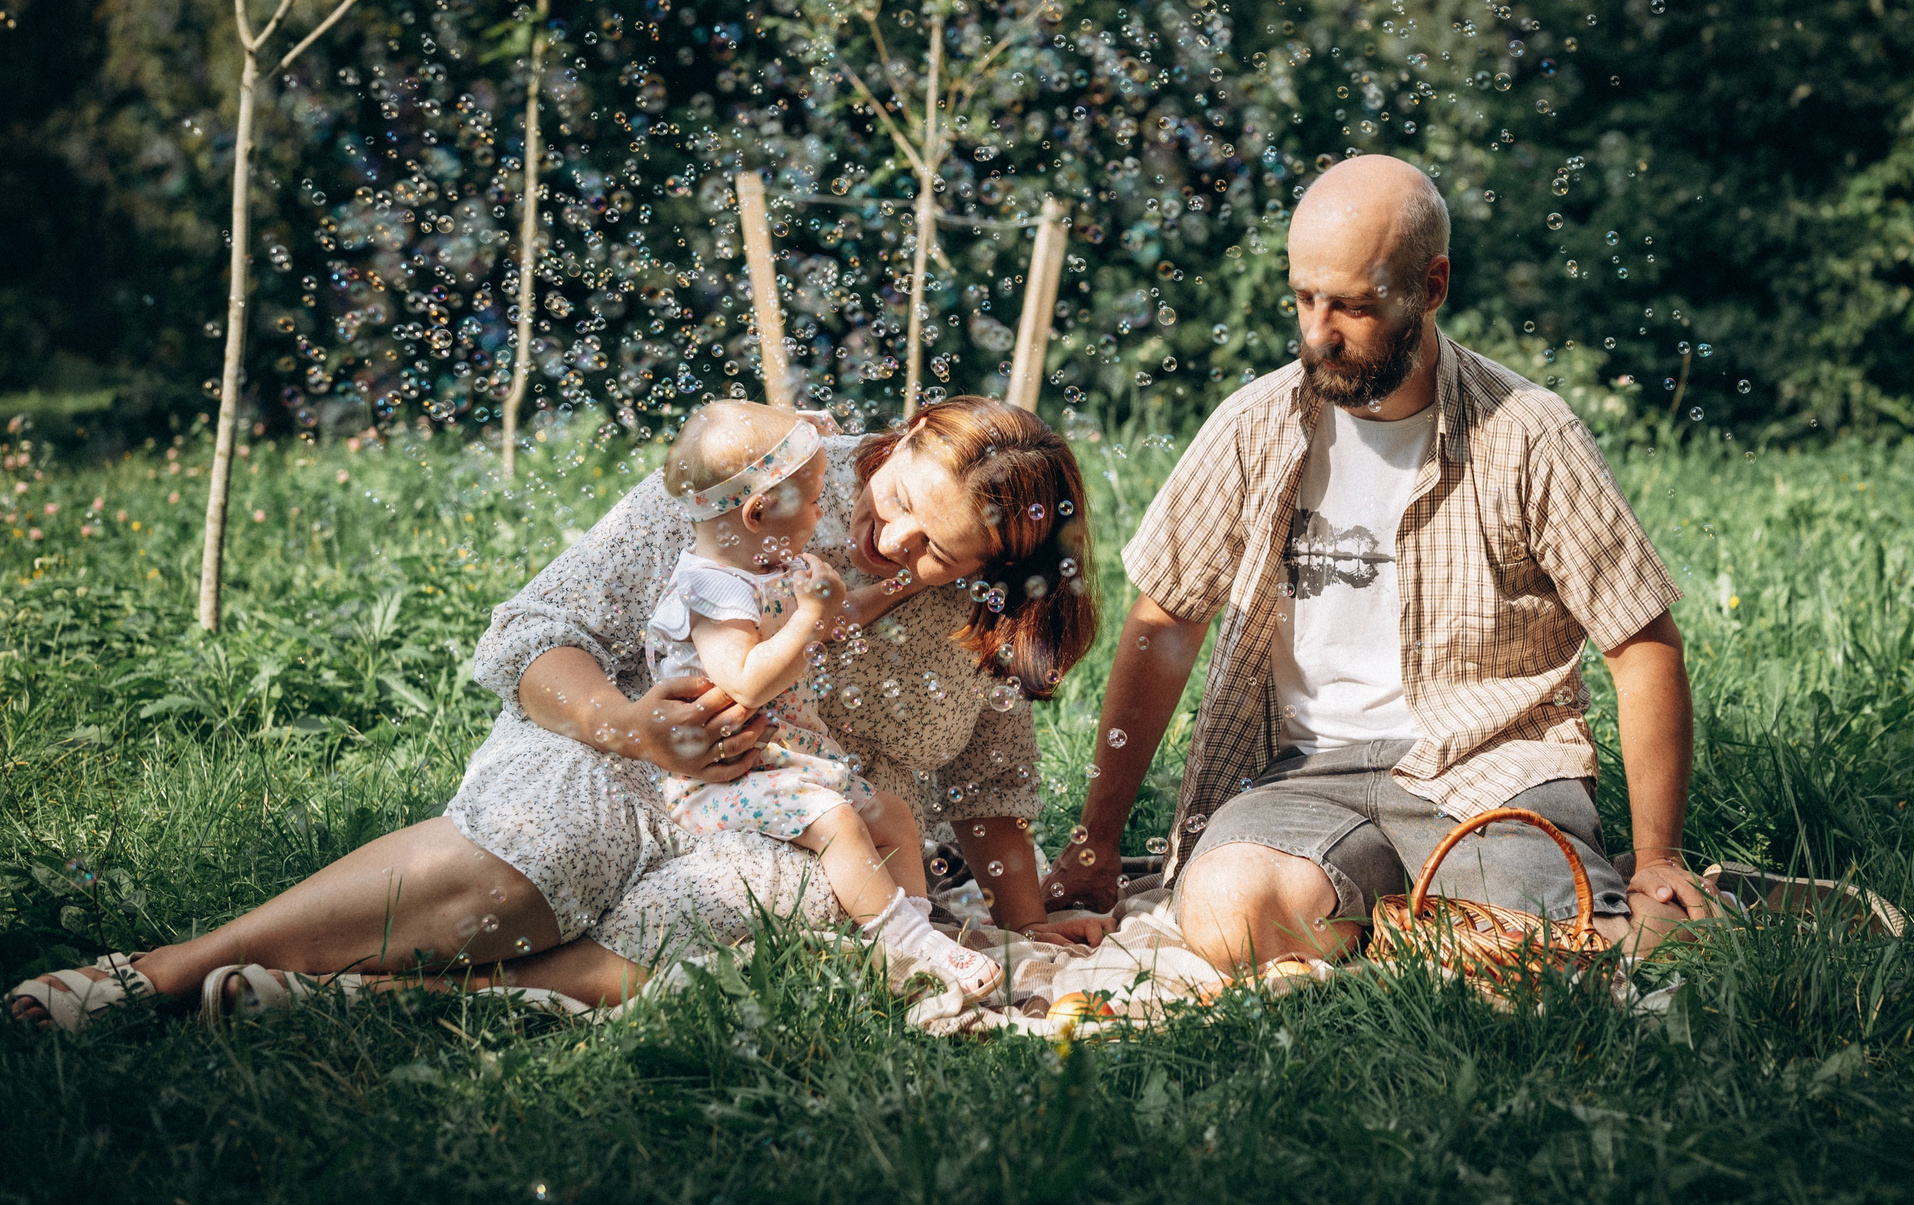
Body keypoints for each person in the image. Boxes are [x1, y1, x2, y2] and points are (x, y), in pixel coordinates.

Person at [13, 397, 1099, 1030]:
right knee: (552, 843)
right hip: (618, 744)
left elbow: (988, 786)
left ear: (992, 564)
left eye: (936, 551)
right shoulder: (761, 475)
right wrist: (633, 726)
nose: (889, 545)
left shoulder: (985, 612)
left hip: (810, 825)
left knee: (745, 912)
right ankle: (171, 967)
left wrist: (1022, 913)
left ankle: (360, 998)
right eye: (897, 503)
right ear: (901, 438)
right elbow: (543, 628)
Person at [1043, 155, 1715, 969]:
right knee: (1223, 913)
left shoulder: (1531, 433)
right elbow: (1165, 624)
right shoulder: (1252, 426)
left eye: (1354, 306)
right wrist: (1096, 842)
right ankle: (1423, 923)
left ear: (1431, 287)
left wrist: (1660, 856)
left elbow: (1641, 645)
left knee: (1582, 954)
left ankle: (1452, 915)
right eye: (1304, 298)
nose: (1318, 332)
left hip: (1491, 766)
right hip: (1300, 776)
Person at [647, 400, 1000, 1000]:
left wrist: (901, 583)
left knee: (893, 814)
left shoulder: (768, 568)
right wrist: (811, 613)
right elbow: (745, 683)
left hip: (787, 765)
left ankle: (915, 938)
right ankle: (908, 943)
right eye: (812, 499)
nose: (822, 510)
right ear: (759, 512)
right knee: (837, 821)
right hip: (721, 781)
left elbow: (839, 620)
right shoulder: (711, 587)